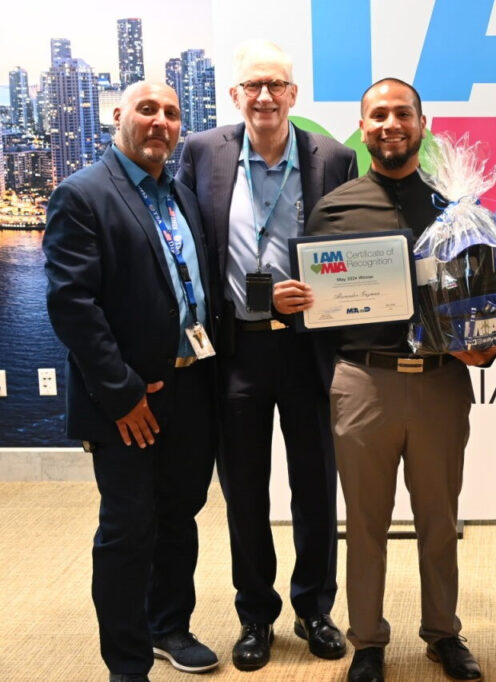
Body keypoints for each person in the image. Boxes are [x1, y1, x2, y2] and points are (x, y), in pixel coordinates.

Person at [272, 77, 489, 682]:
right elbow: (313, 310)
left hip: (441, 380)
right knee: (365, 523)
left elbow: (483, 297)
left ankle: (442, 633)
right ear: (363, 128)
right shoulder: (334, 209)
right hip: (363, 383)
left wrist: (484, 341)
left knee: (439, 520)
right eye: (378, 116)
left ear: (422, 124)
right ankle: (367, 640)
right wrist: (289, 304)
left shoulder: (455, 209)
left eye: (402, 114)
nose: (390, 125)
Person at [176, 40, 357, 671]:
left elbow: (351, 249)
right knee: (245, 492)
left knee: (316, 487)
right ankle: (255, 614)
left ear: (293, 94)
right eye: (252, 85)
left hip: (310, 351)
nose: (264, 96)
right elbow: (189, 247)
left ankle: (315, 608)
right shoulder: (202, 152)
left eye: (276, 84)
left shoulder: (333, 158)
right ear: (235, 95)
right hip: (238, 352)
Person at [43, 82, 219, 682]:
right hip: (127, 401)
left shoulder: (182, 194)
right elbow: (72, 306)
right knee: (128, 528)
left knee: (180, 515)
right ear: (117, 116)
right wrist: (121, 393)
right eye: (147, 110)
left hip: (191, 387)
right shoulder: (82, 194)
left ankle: (168, 626)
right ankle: (127, 663)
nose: (160, 121)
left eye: (171, 113)